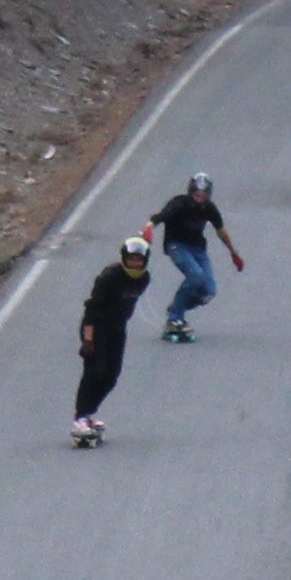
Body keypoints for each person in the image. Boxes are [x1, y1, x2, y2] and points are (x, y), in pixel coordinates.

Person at [73, 234, 151, 447]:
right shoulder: (109, 277)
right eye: (131, 259)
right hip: (96, 327)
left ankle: (89, 412)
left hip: (117, 329)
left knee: (112, 375)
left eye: (139, 260)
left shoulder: (144, 279)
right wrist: (88, 341)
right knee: (95, 371)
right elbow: (91, 309)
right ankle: (80, 418)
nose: (135, 263)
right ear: (124, 259)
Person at [152, 175, 244, 340]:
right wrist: (148, 228)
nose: (200, 198)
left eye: (204, 195)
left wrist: (234, 252)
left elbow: (221, 230)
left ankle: (176, 308)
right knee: (195, 276)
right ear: (191, 192)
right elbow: (161, 216)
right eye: (197, 194)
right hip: (177, 246)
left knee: (208, 291)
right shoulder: (179, 203)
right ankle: (175, 319)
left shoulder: (209, 208)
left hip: (198, 250)